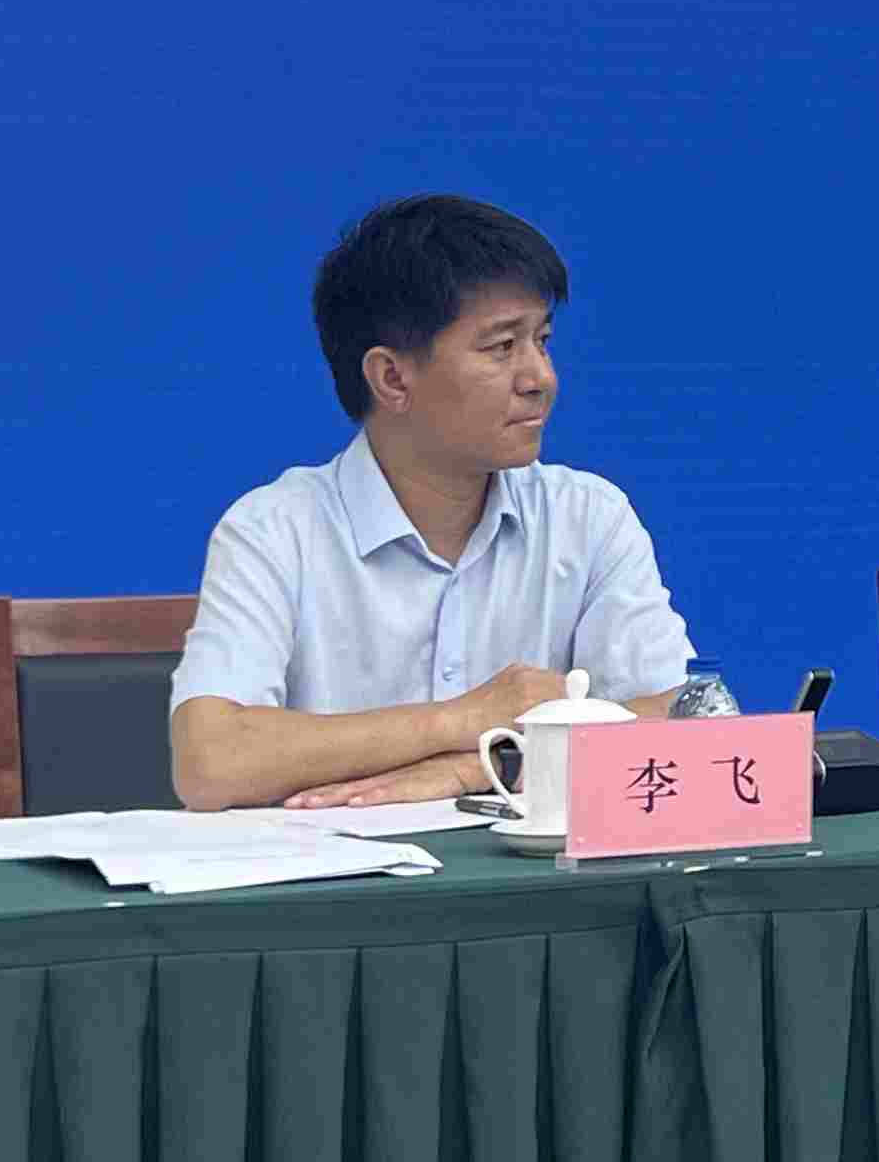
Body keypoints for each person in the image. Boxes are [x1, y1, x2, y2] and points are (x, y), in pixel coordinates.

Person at [168, 195, 691, 810]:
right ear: (392, 378)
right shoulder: (275, 529)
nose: (541, 378)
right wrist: (461, 718)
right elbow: (212, 762)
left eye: (542, 341)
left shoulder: (588, 517)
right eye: (502, 347)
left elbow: (684, 725)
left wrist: (480, 765)